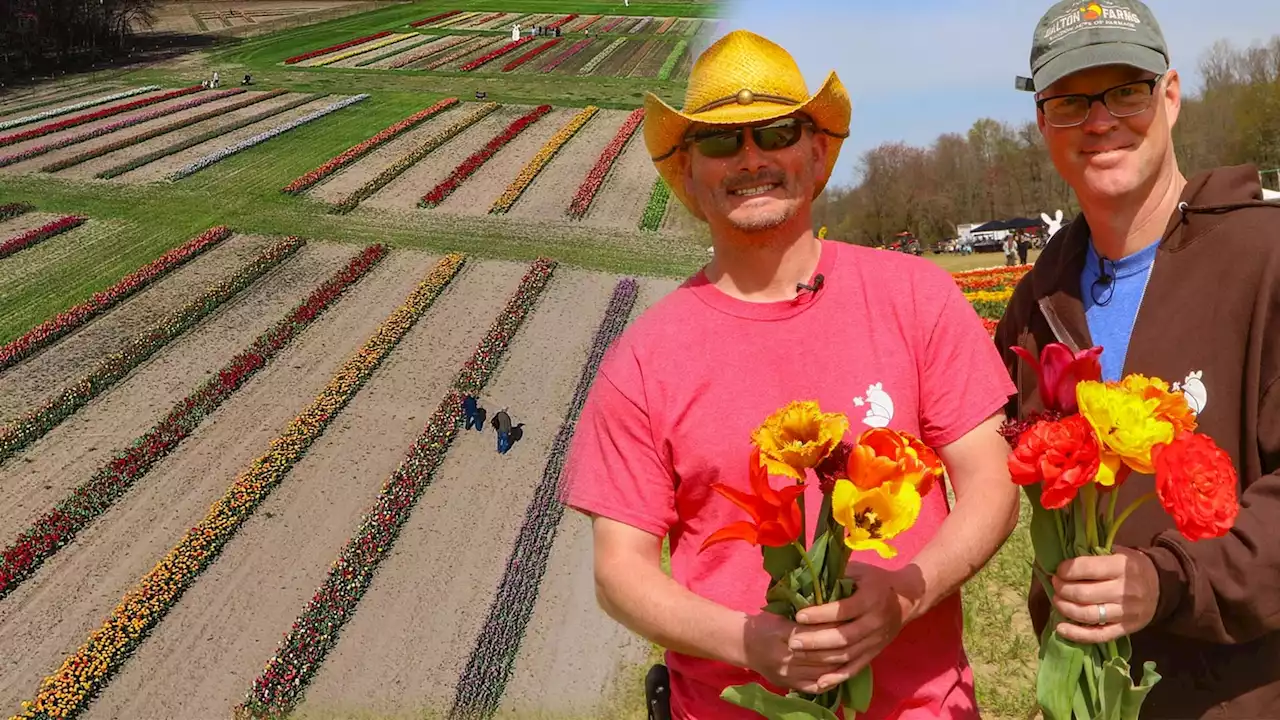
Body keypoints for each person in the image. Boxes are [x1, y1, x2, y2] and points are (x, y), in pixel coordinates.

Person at [561, 29, 1019, 720]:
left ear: (817, 151)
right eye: (720, 141)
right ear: (687, 170)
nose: (751, 159)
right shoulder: (644, 361)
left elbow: (991, 481)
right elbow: (618, 571)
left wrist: (906, 596)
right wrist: (751, 643)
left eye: (776, 132)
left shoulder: (916, 297)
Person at [994, 1, 1280, 717]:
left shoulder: (1266, 259)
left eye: (1127, 90)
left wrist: (1169, 580)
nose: (1100, 121)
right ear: (1043, 123)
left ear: (1171, 96)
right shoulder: (1037, 301)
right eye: (1069, 101)